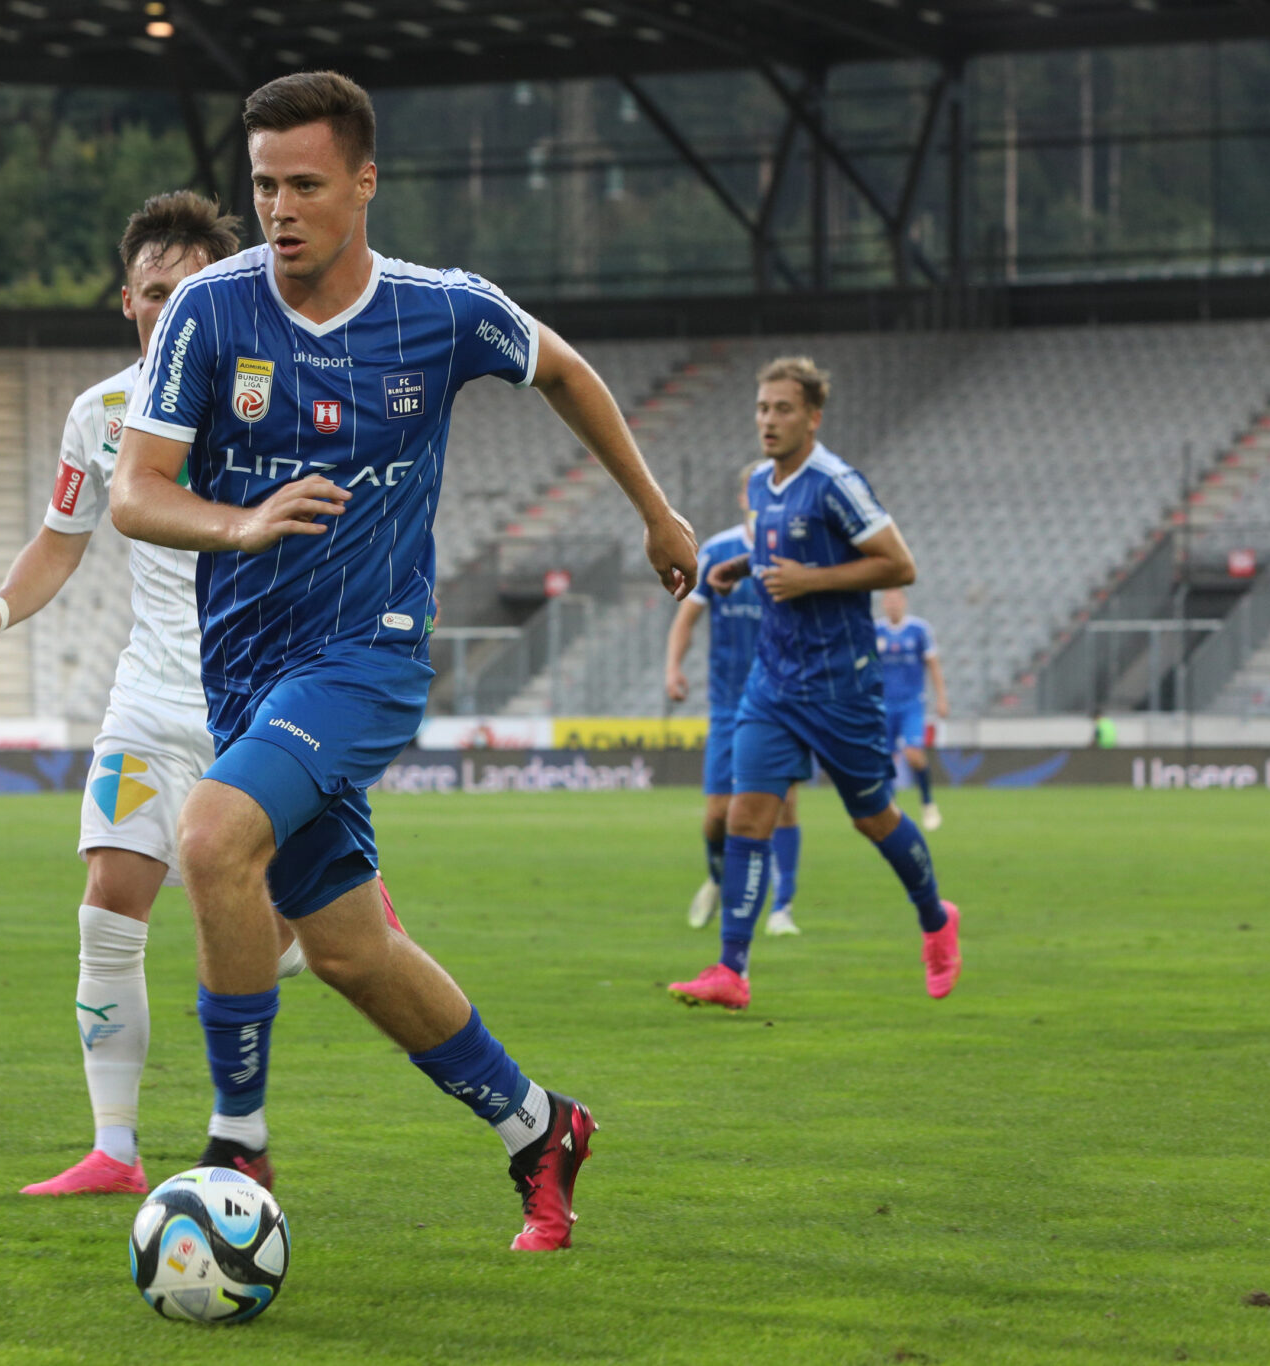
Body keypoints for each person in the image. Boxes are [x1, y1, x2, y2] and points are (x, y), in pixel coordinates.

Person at [111, 71, 698, 1251]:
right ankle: (541, 1126)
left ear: (364, 184)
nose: (278, 208)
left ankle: (235, 1141)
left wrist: (654, 512)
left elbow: (566, 371)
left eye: (305, 185)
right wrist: (240, 521)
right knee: (344, 948)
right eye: (264, 184)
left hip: (365, 656)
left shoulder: (440, 311)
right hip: (248, 673)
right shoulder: (208, 313)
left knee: (214, 837)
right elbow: (135, 492)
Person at [0, 190, 320, 1198]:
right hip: (148, 704)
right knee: (107, 905)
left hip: (262, 704)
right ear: (127, 301)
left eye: (191, 289)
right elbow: (58, 544)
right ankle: (115, 1148)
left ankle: (294, 943)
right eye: (155, 291)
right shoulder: (100, 415)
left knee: (312, 932)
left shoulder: (274, 392)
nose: (170, 307)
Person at [668, 358, 960, 1012]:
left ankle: (936, 919)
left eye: (783, 409)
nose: (768, 420)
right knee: (746, 815)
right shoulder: (766, 487)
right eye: (762, 408)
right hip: (772, 683)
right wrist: (743, 567)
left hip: (840, 688)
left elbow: (899, 565)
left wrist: (809, 583)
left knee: (873, 818)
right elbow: (784, 554)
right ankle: (731, 970)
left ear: (813, 417)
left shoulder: (836, 482)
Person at [665, 463, 804, 936]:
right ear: (745, 494)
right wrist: (673, 668)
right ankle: (718, 875)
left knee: (784, 803)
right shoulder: (720, 550)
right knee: (719, 814)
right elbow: (687, 618)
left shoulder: (793, 548)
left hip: (783, 698)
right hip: (729, 701)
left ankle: (782, 908)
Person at [876, 587, 948, 831]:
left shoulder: (919, 630)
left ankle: (928, 803)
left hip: (911, 704)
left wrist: (942, 698)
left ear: (904, 602)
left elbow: (933, 665)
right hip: (884, 705)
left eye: (896, 599)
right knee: (883, 759)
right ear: (884, 603)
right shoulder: (876, 631)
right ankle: (890, 810)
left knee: (913, 754)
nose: (893, 604)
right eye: (889, 600)